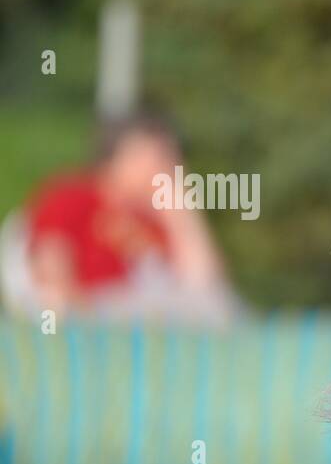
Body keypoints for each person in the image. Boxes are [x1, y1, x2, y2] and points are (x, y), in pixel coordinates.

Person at [13, 114, 237, 326]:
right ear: (124, 155)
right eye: (160, 157)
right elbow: (52, 270)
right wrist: (82, 320)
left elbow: (204, 285)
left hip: (150, 318)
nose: (172, 168)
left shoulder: (156, 219)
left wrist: (181, 211)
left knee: (216, 306)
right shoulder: (74, 195)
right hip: (96, 314)